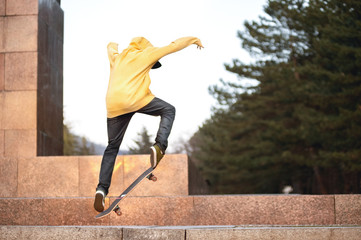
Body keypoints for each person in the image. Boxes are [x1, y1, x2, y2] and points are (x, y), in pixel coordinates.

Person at [94, 36, 204, 212]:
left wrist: (114, 43)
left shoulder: (117, 57)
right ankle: (159, 146)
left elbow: (110, 48)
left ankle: (101, 189)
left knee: (112, 147)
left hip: (113, 105)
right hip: (136, 98)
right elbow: (172, 46)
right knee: (169, 110)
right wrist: (193, 39)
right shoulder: (146, 53)